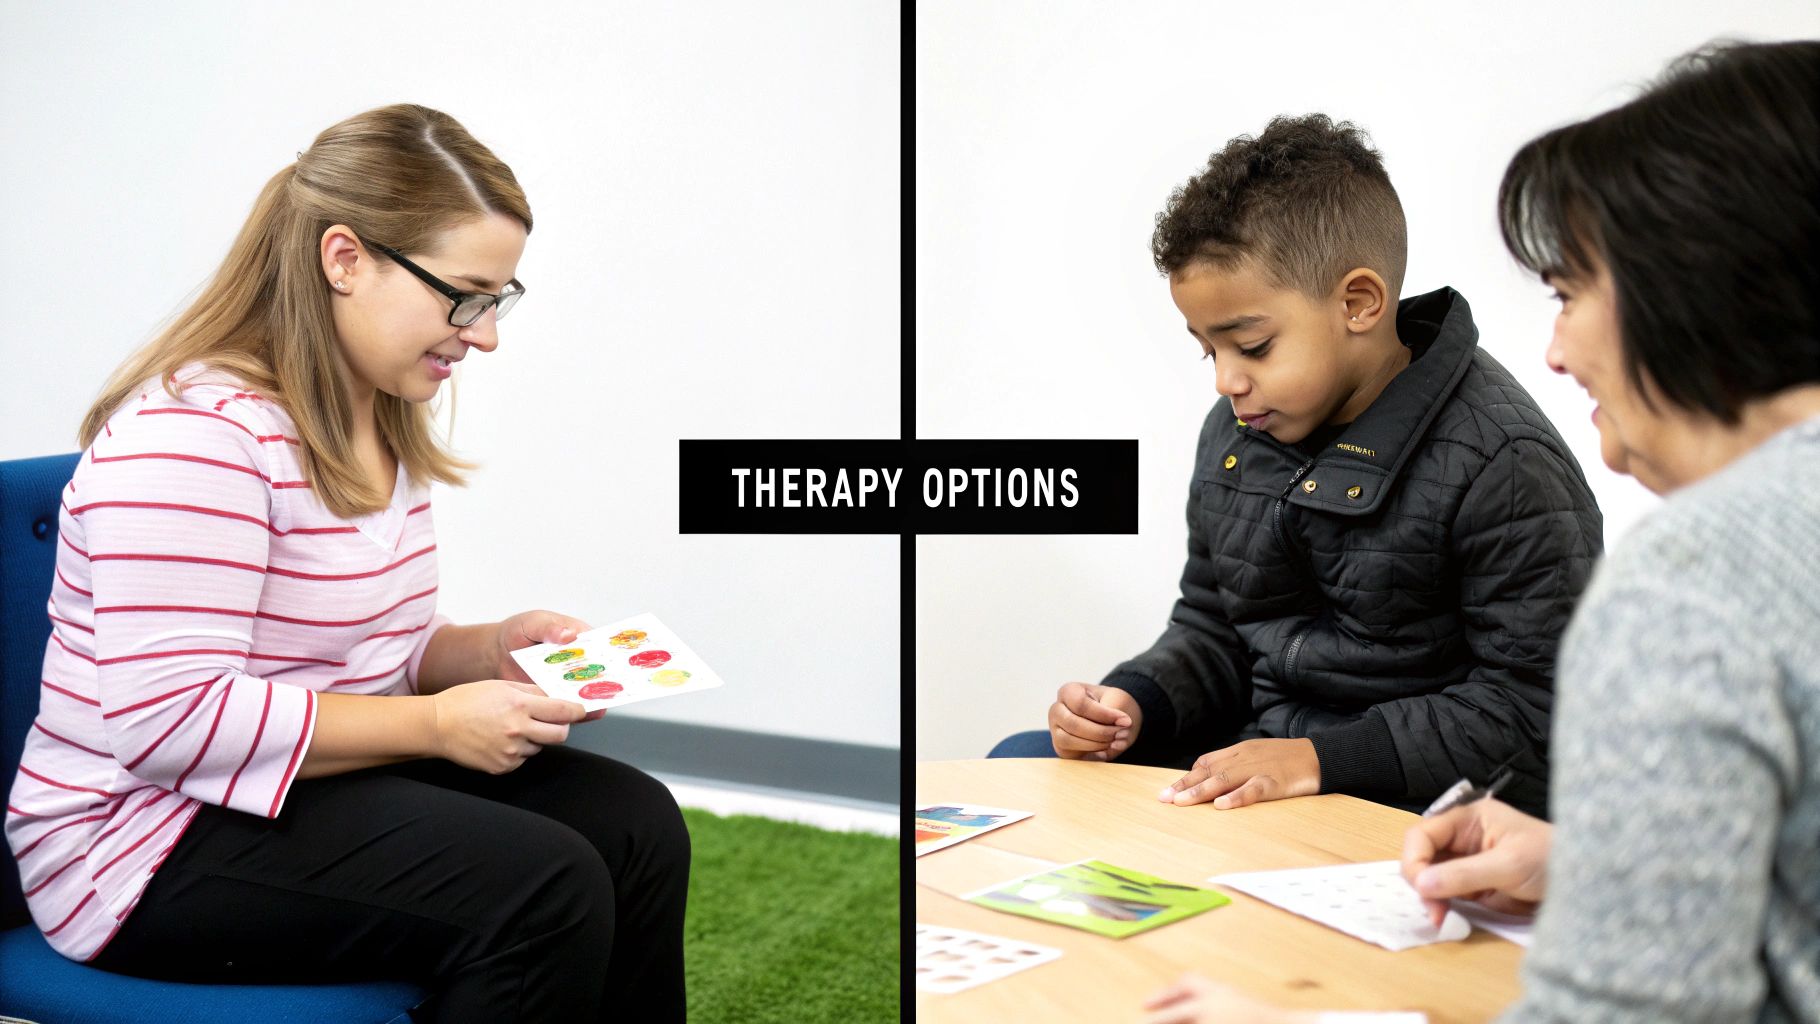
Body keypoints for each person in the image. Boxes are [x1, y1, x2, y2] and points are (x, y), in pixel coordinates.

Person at [1144, 38, 1820, 1023]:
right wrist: (1590, 863)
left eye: (1568, 290)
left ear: (1701, 291)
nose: (1553, 349)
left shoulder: (1695, 575)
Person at [4, 104, 689, 1022]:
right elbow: (168, 723)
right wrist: (438, 727)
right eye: (466, 295)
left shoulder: (376, 416)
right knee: (542, 886)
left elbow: (371, 656)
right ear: (344, 260)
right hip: (143, 844)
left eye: (498, 299)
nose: (483, 335)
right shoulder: (194, 441)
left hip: (293, 786)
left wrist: (487, 652)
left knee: (636, 825)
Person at [989, 114, 1602, 820]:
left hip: (1408, 803)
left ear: (1359, 303)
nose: (1225, 381)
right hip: (1257, 758)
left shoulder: (1507, 463)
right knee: (1023, 759)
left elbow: (1530, 711)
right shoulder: (1238, 430)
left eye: (1251, 346)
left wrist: (1318, 760)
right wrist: (1135, 703)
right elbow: (1215, 628)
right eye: (1206, 350)